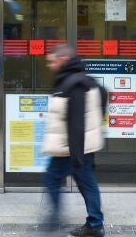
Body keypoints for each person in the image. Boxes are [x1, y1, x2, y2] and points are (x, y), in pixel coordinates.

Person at [43, 44, 106, 237]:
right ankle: (92, 223)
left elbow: (77, 122)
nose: (49, 65)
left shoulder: (74, 83)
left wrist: (77, 154)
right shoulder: (79, 79)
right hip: (72, 146)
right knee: (81, 182)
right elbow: (103, 97)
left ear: (62, 59)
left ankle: (93, 225)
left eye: (52, 61)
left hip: (72, 149)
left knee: (69, 181)